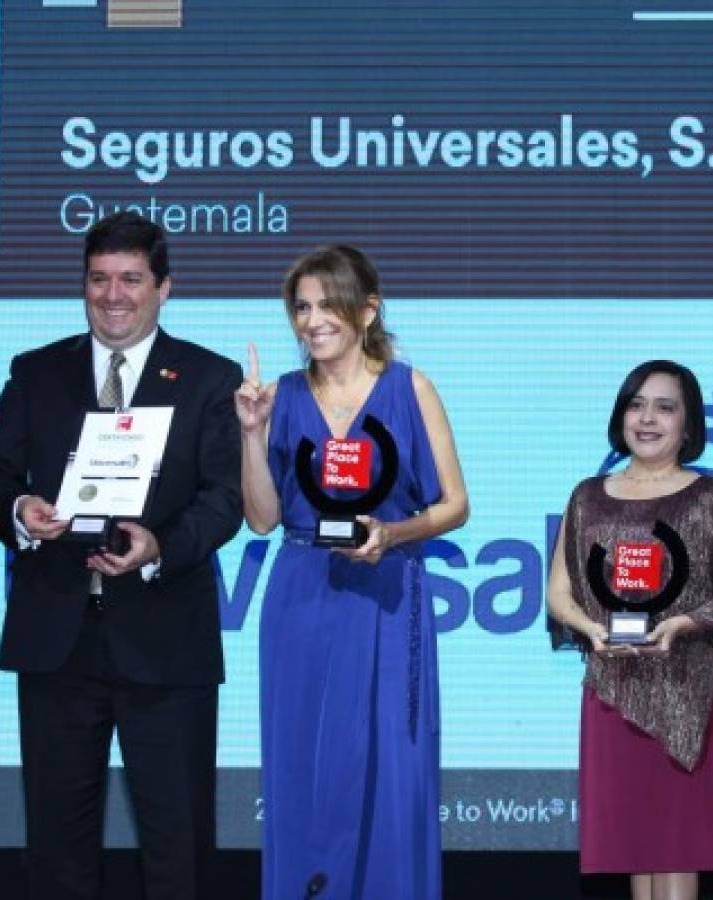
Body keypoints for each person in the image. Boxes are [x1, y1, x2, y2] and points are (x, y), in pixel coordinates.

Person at [0, 212, 242, 899]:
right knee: (58, 847)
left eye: (129, 280)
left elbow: (223, 499)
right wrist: (20, 513)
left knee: (177, 844)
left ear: (163, 288)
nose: (112, 295)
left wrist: (160, 547)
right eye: (97, 280)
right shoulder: (36, 372)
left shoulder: (210, 377)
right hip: (56, 640)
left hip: (165, 640)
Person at [235, 245, 468, 899]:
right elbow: (260, 519)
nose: (312, 320)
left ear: (367, 310)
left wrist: (392, 532)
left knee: (393, 771)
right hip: (302, 593)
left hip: (389, 591)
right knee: (306, 771)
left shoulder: (409, 386)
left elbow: (455, 504)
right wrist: (252, 435)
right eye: (301, 308)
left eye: (327, 304)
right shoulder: (277, 396)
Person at [547, 359, 713, 900]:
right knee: (634, 848)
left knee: (676, 848)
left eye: (665, 407)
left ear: (687, 426)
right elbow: (559, 593)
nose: (647, 418)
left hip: (686, 689)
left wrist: (683, 623)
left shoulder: (709, 497)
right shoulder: (588, 495)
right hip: (611, 688)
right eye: (636, 404)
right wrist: (590, 630)